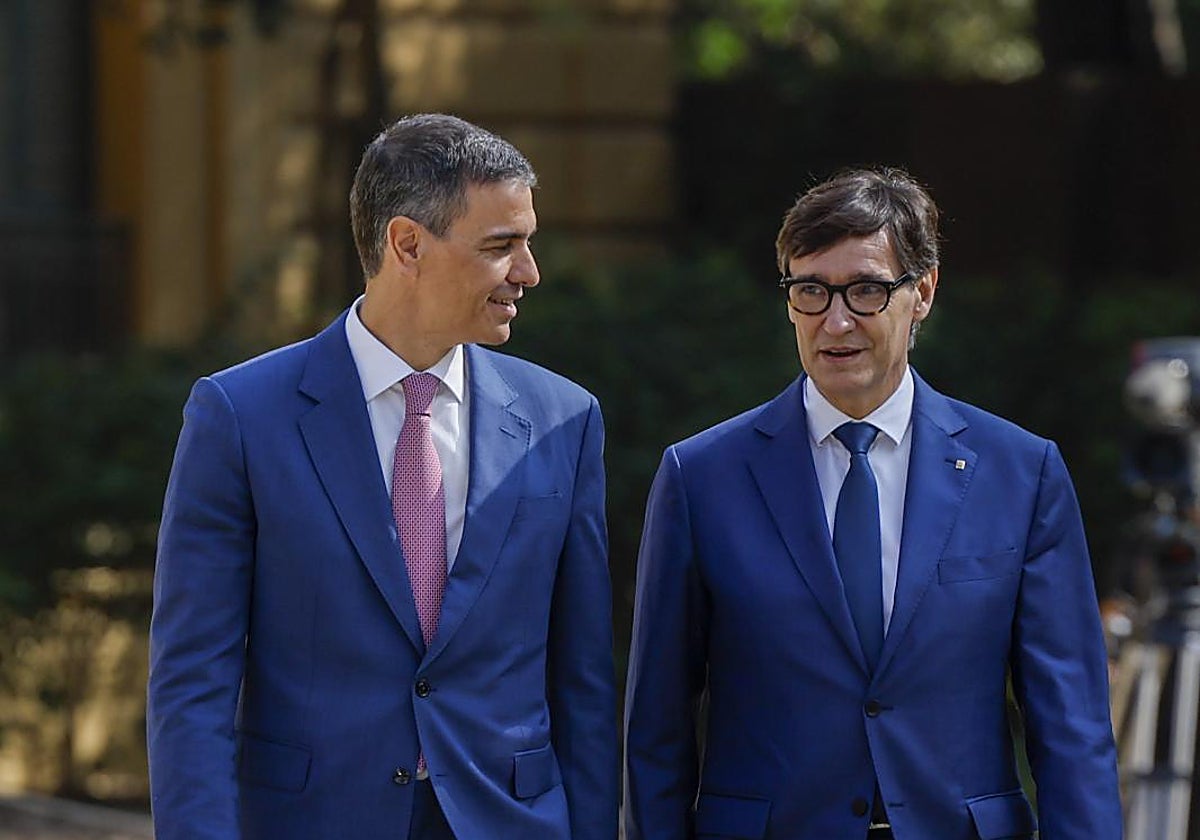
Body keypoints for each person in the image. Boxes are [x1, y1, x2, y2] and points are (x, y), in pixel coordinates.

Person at [147, 113, 618, 840]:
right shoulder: (240, 417)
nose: (529, 273)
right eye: (502, 247)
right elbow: (193, 683)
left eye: (528, 244)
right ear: (407, 244)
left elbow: (582, 681)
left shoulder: (565, 419)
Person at [623, 167, 1121, 839]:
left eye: (864, 290)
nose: (835, 320)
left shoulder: (1021, 472)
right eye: (810, 291)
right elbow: (656, 726)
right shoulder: (702, 475)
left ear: (923, 293)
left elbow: (1072, 725)